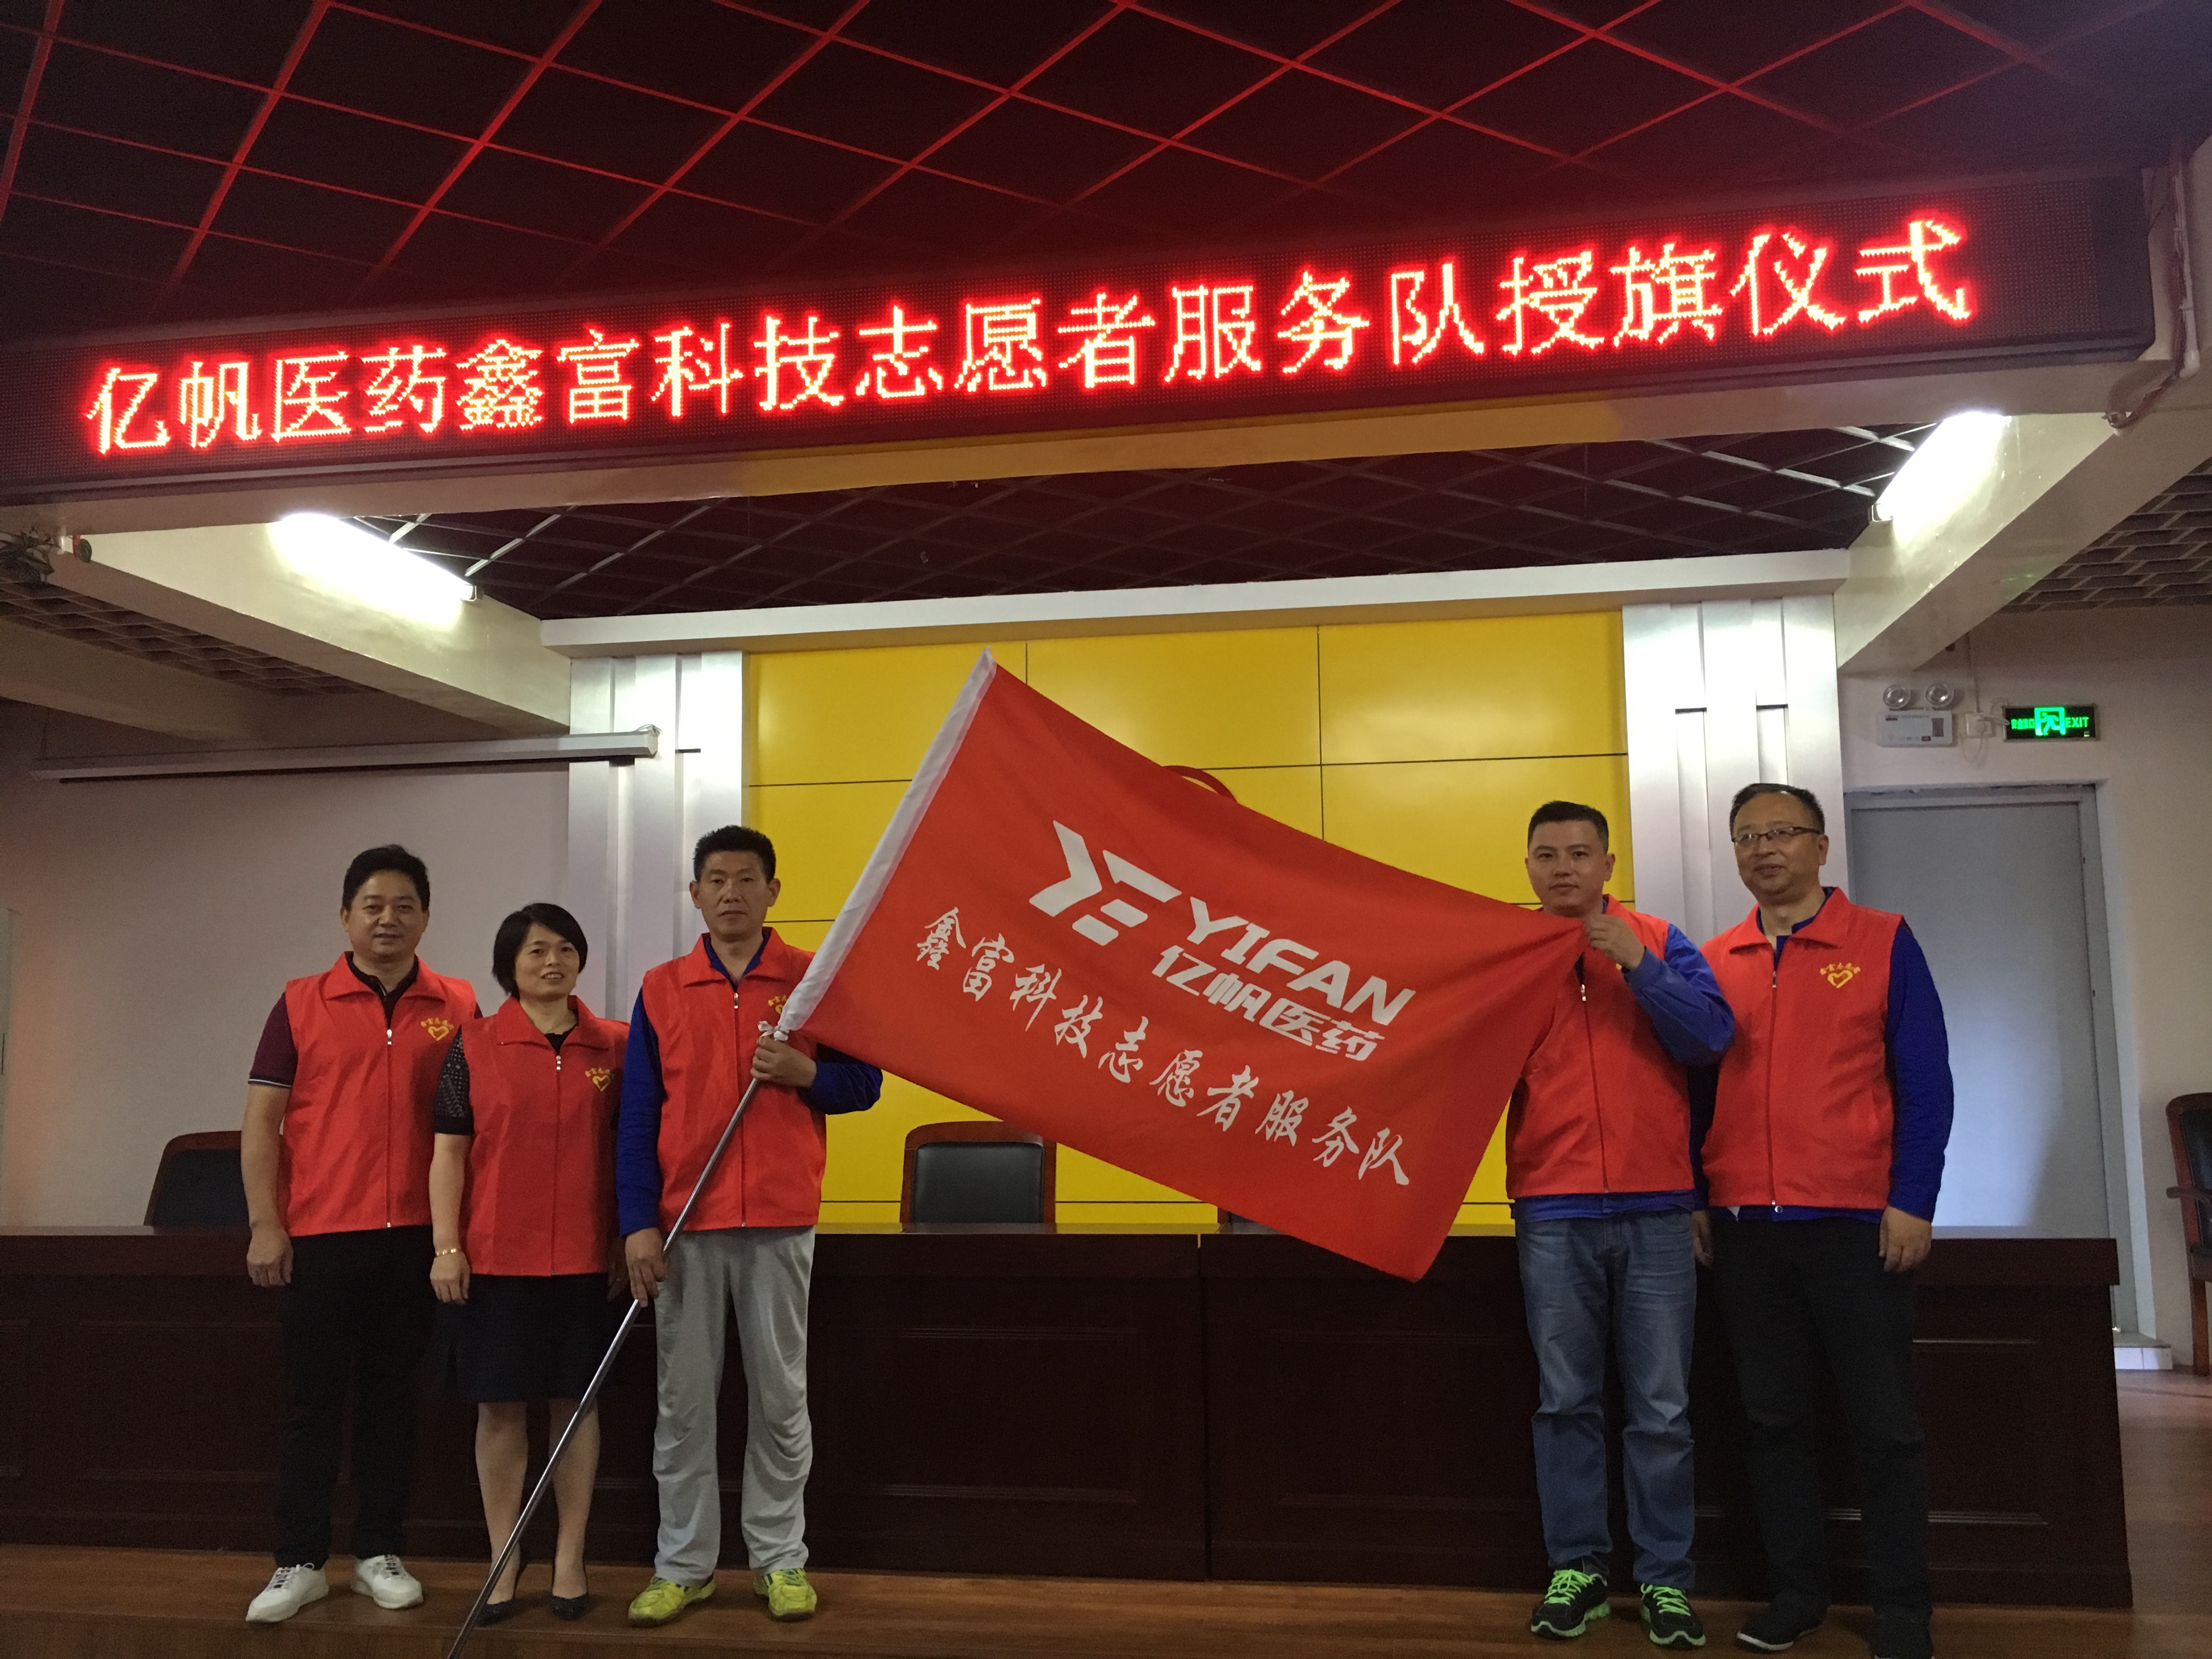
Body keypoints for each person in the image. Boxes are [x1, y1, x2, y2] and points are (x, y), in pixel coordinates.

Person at [1696, 783, 1953, 1659]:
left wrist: (1913, 1198)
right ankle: (1798, 1594)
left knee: (1884, 1427)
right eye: (1746, 837)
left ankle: (1903, 1608)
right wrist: (1697, 1196)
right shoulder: (1715, 958)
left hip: (1855, 1224)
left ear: (1820, 845)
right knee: (1772, 1423)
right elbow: (1694, 1093)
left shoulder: (1883, 940)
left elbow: (1926, 1079)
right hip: (1746, 1229)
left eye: (1780, 832)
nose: (1763, 849)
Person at [618, 826, 882, 1628]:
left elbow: (864, 1083)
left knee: (779, 1399)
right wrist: (637, 1224)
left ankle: (779, 1559)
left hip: (779, 1218)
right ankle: (684, 1565)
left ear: (773, 891)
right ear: (695, 895)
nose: (731, 893)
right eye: (716, 880)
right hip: (686, 1226)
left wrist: (807, 1073)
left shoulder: (812, 979)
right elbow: (638, 1117)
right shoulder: (662, 988)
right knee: (683, 1405)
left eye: (746, 879)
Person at [1509, 801, 1735, 1650]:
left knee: (1662, 1409)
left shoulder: (1661, 940)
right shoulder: (1508, 953)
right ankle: (1578, 1570)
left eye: (1579, 853)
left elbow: (1711, 1037)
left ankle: (1666, 1580)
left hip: (1658, 1208)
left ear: (1609, 865)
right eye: (1546, 855)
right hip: (1553, 1205)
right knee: (1565, 1401)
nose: (1563, 868)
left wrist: (1640, 967)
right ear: (1527, 868)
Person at [240, 845, 479, 1624]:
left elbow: (476, 1125)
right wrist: (266, 1222)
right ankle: (300, 1560)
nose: (388, 919)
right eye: (372, 905)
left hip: (415, 1239)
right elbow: (263, 1122)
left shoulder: (459, 1003)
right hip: (320, 1235)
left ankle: (379, 1551)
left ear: (426, 918)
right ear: (345, 916)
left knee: (391, 1403)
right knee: (311, 1405)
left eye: (405, 905)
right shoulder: (299, 1002)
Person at [428, 903, 627, 1623]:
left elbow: (634, 1151)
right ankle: (504, 1556)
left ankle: (570, 1557)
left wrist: (624, 1237)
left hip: (585, 1259)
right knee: (501, 1409)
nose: (553, 961)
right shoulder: (471, 1045)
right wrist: (447, 1246)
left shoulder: (616, 1046)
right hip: (495, 1260)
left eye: (566, 948)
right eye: (537, 950)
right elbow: (449, 1154)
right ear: (509, 964)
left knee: (576, 1406)